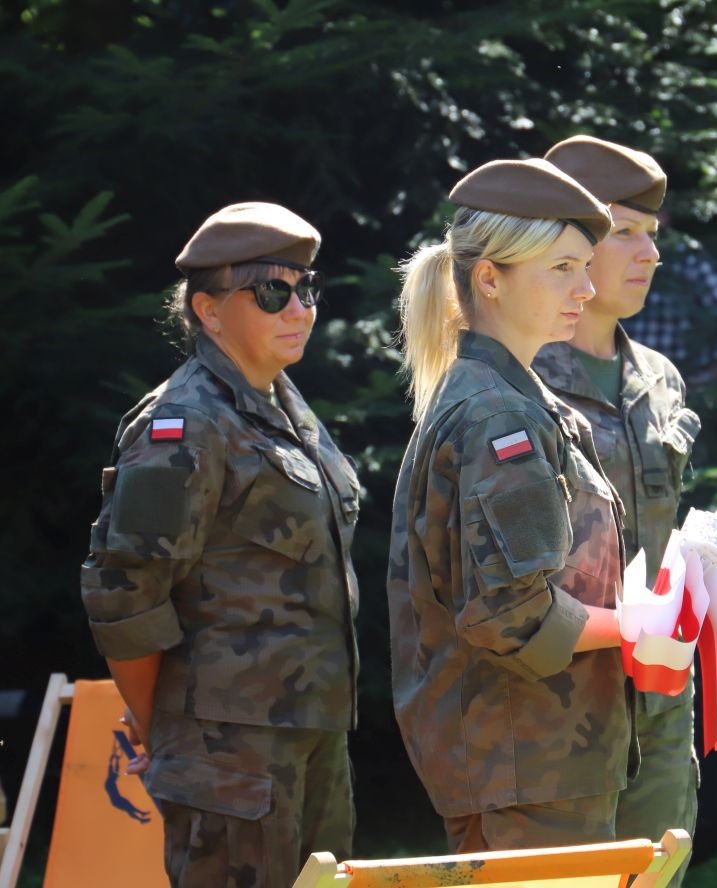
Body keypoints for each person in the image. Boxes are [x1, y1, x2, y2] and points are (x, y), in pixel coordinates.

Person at [81, 203, 363, 888]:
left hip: (309, 739)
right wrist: (158, 729)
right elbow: (123, 595)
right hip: (227, 761)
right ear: (209, 311)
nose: (299, 307)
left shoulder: (282, 404)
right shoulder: (185, 423)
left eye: (307, 289)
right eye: (273, 292)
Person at [390, 158, 634, 853]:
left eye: (586, 266)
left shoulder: (509, 396)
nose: (587, 289)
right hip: (526, 766)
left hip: (534, 761)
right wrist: (639, 624)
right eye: (562, 268)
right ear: (490, 278)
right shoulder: (499, 415)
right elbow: (512, 615)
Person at [532, 136, 700, 881]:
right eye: (624, 232)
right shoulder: (515, 379)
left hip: (659, 705)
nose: (649, 254)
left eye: (652, 235)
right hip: (555, 714)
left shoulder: (658, 378)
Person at [621, 222, 717, 386]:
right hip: (629, 379)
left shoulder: (687, 258)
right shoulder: (619, 256)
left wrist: (714, 369)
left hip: (681, 379)